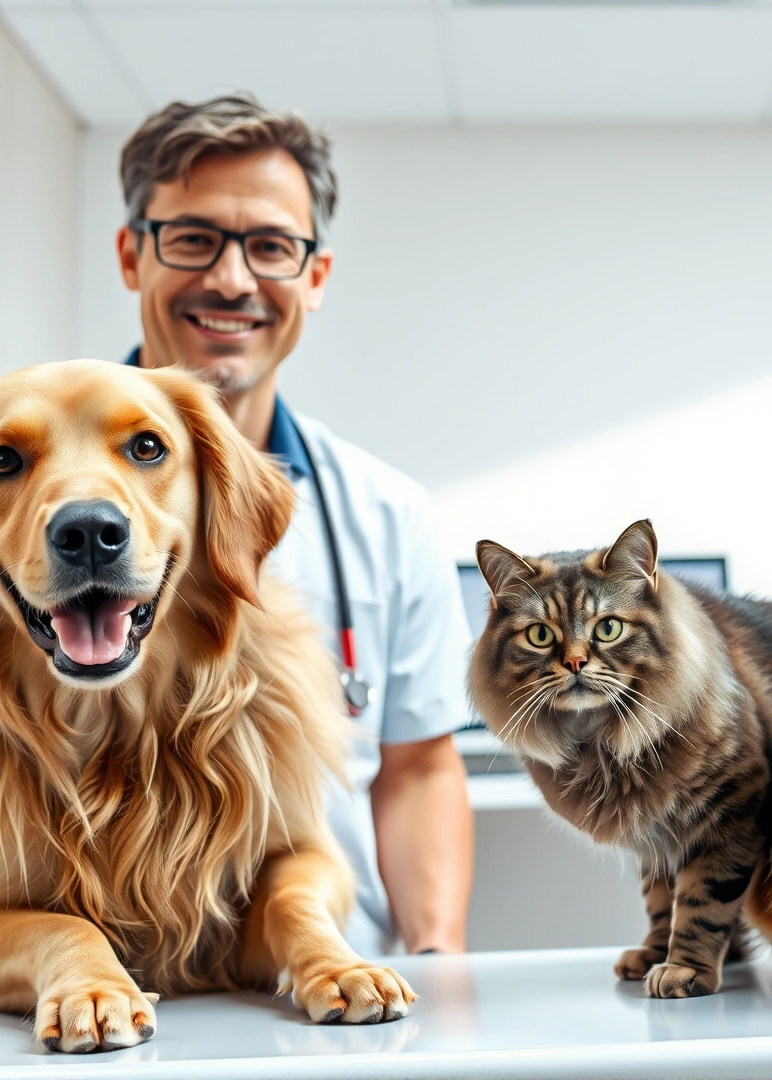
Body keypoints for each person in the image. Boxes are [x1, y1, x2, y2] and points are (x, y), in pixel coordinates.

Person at [115, 94, 473, 956]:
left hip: (334, 986)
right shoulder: (30, 494)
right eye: (194, 238)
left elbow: (417, 766)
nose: (232, 280)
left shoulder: (388, 515)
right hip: (106, 992)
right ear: (133, 255)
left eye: (271, 247)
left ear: (314, 275)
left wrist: (438, 962)